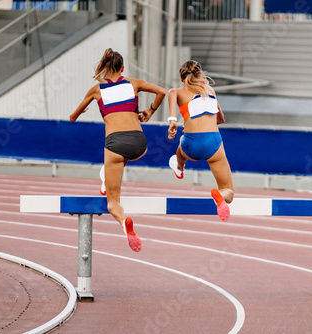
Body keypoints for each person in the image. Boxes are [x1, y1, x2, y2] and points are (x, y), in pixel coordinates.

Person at [69, 48, 166, 252]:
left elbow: (72, 117)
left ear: (104, 69)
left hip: (114, 143)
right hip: (140, 144)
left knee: (113, 202)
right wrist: (150, 110)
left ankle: (124, 223)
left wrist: (83, 109)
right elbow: (162, 92)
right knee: (122, 159)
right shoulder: (133, 83)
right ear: (122, 69)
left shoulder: (96, 90)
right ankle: (105, 177)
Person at [167, 60, 234, 222]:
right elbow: (221, 119)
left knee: (182, 139)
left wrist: (173, 120)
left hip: (192, 143)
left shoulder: (177, 91)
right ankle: (220, 195)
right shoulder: (210, 90)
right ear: (200, 74)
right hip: (213, 143)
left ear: (182, 79)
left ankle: (180, 166)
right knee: (229, 191)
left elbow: (171, 100)